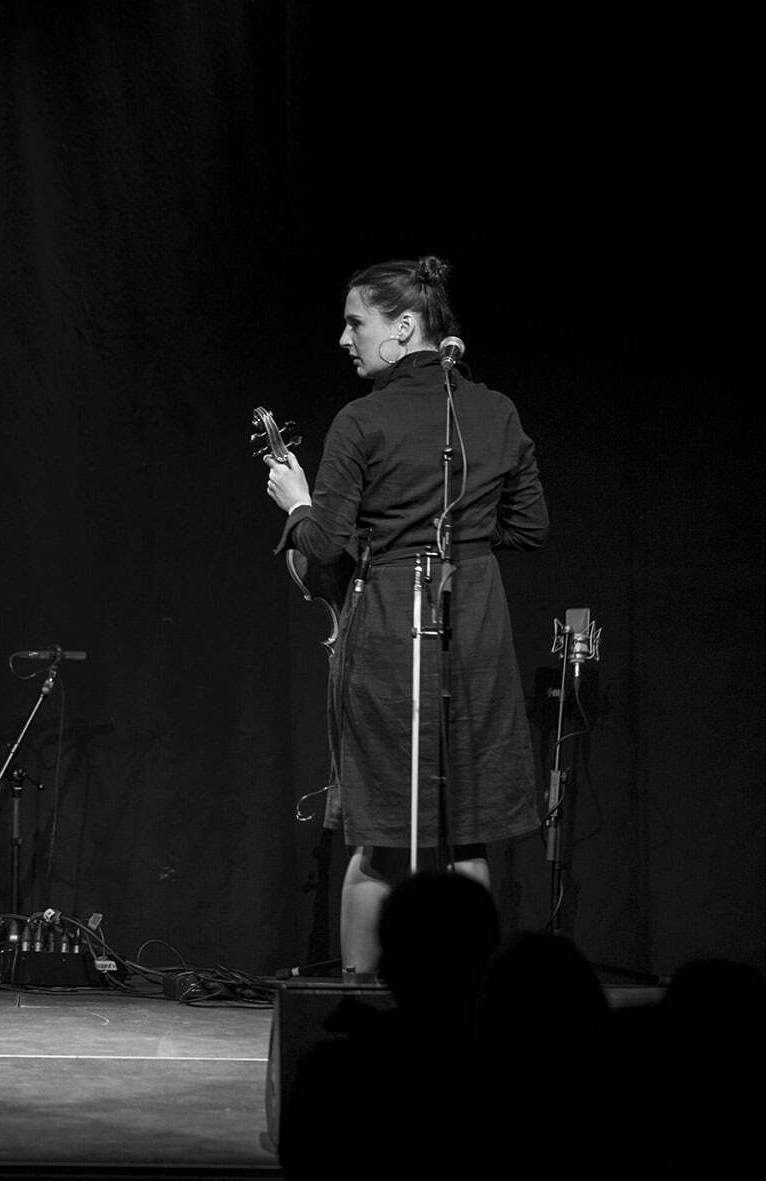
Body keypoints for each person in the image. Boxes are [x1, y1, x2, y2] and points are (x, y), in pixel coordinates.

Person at [264, 256, 546, 979]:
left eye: (355, 322)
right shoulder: (497, 410)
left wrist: (297, 504)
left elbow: (324, 544)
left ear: (404, 326)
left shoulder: (361, 419)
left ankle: (355, 1000)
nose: (344, 338)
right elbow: (530, 526)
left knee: (381, 834)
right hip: (475, 622)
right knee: (466, 834)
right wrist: (460, 539)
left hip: (392, 620)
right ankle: (467, 998)